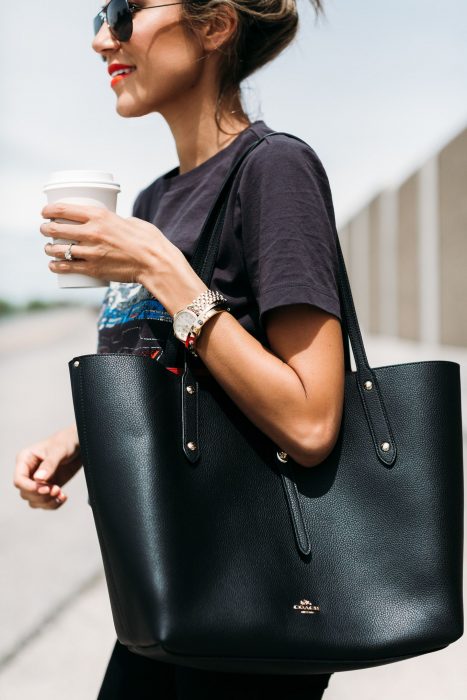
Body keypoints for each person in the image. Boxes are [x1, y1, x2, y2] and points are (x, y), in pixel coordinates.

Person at [14, 0, 345, 697]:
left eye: (124, 9)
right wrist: (86, 434)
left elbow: (311, 422)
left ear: (215, 25)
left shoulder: (273, 170)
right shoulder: (154, 203)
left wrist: (160, 267)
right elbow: (183, 380)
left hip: (253, 611)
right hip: (167, 594)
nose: (104, 36)